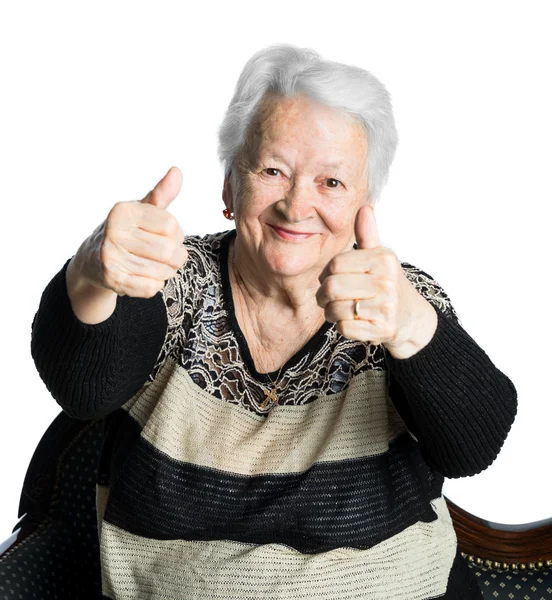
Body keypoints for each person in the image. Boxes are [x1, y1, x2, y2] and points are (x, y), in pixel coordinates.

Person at [30, 43, 517, 599]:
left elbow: (474, 447)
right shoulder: (173, 281)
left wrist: (413, 328)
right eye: (272, 170)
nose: (295, 205)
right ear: (229, 187)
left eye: (331, 182)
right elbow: (85, 387)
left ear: (366, 204)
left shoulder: (393, 299)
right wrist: (92, 274)